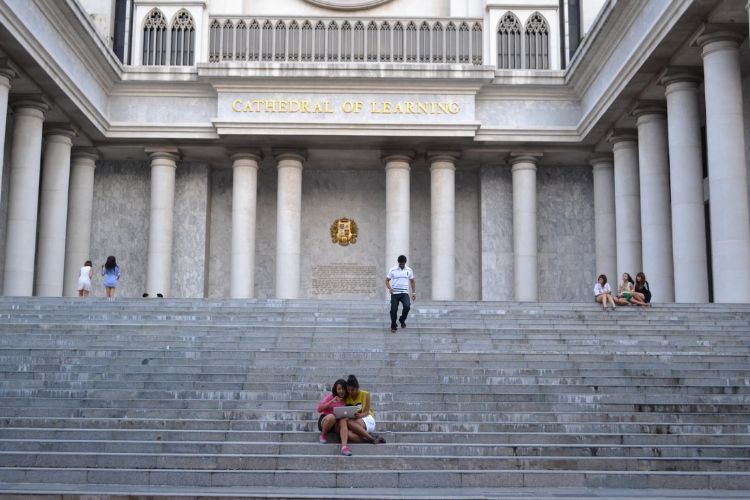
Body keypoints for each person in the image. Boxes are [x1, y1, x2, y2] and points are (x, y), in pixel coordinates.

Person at [316, 379, 354, 456]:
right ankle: (323, 435)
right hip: (326, 421)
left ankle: (344, 447)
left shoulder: (347, 399)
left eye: (343, 389)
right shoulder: (331, 396)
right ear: (336, 390)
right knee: (332, 417)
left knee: (343, 420)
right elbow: (319, 409)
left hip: (337, 423)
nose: (341, 391)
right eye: (339, 389)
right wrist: (331, 402)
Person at [345, 374, 385, 444]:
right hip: (354, 421)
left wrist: (359, 415)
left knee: (349, 423)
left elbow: (367, 412)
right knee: (348, 434)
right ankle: (372, 439)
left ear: (357, 388)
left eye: (352, 390)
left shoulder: (365, 394)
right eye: (348, 390)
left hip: (367, 418)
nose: (350, 392)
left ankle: (371, 438)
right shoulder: (347, 397)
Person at [385, 255, 416, 333]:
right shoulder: (393, 269)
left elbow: (412, 281)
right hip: (395, 293)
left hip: (404, 293)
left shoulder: (409, 270)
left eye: (403, 264)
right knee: (393, 309)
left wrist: (413, 292)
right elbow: (387, 280)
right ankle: (393, 326)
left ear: (405, 262)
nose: (401, 265)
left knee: (407, 306)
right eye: (400, 264)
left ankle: (402, 320)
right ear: (398, 262)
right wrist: (390, 288)